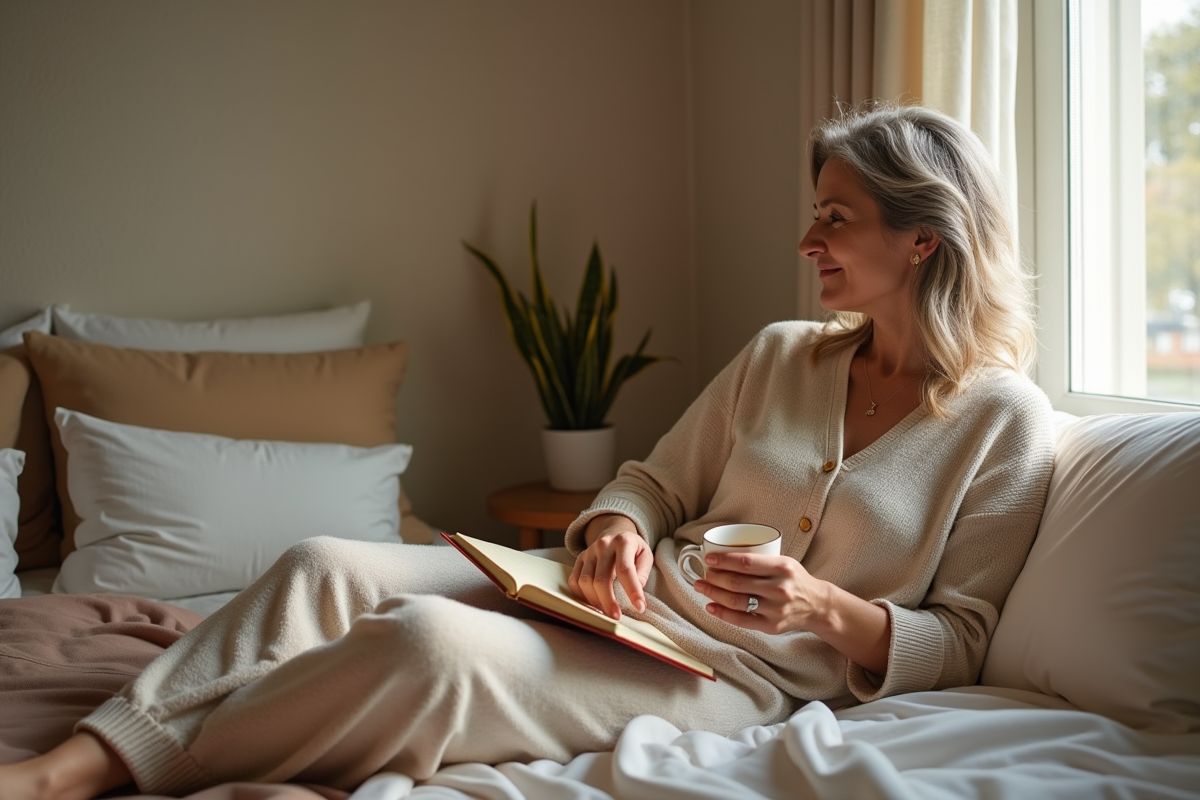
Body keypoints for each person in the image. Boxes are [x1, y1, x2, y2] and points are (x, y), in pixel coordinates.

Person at [2, 104, 1055, 800]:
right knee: (323, 560)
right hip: (606, 595)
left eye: (835, 216)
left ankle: (90, 774)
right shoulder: (781, 354)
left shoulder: (1002, 420)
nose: (806, 241)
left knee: (427, 645)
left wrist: (821, 608)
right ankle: (93, 749)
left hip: (722, 672)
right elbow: (649, 483)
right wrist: (611, 534)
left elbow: (963, 639)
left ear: (924, 236)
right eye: (812, 212)